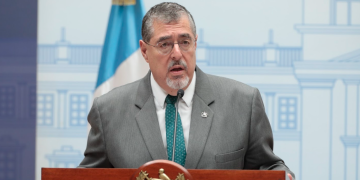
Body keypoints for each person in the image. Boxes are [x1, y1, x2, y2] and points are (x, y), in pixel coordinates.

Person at [79, 2, 295, 180]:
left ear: (195, 43)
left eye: (185, 42)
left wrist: (284, 176)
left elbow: (268, 168)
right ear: (144, 51)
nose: (176, 53)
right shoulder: (108, 110)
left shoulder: (243, 103)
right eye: (164, 44)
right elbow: (89, 175)